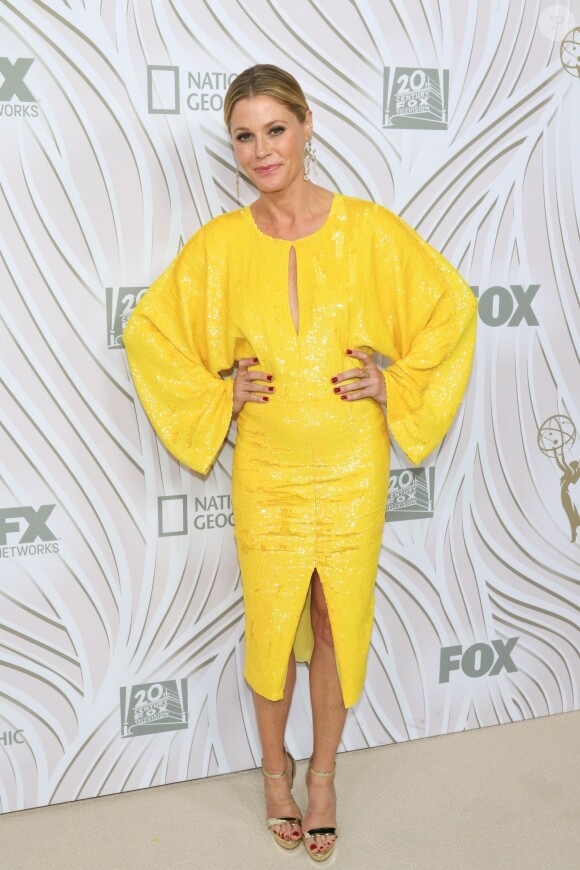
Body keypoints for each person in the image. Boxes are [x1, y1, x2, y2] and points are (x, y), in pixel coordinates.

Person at [123, 63, 477, 862]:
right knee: (275, 622)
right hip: (269, 467)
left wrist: (393, 383)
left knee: (334, 620)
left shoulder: (371, 230)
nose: (261, 149)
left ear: (307, 125)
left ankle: (322, 777)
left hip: (353, 464)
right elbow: (150, 331)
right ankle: (273, 773)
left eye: (274, 130)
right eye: (244, 136)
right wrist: (223, 394)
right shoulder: (218, 247)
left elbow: (453, 307)